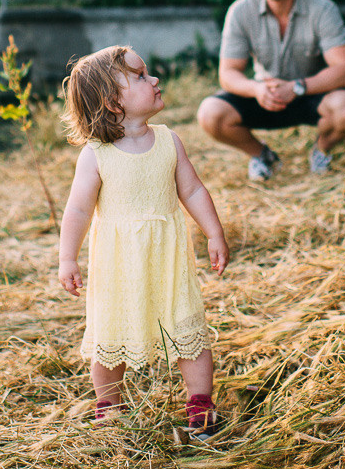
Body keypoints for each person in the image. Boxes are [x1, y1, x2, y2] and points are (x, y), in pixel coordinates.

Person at [57, 46, 229, 439]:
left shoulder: (169, 141)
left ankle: (200, 403)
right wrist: (68, 258)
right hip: (118, 265)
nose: (154, 80)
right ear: (113, 102)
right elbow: (78, 211)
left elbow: (194, 191)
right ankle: (109, 405)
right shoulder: (96, 155)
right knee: (109, 334)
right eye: (140, 76)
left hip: (168, 259)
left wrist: (213, 232)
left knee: (189, 330)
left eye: (148, 73)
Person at [197, 0, 345, 179]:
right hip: (266, 94)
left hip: (310, 92)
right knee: (210, 113)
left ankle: (321, 151)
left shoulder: (322, 8)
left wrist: (297, 87)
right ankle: (263, 156)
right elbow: (228, 73)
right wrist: (256, 89)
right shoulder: (240, 11)